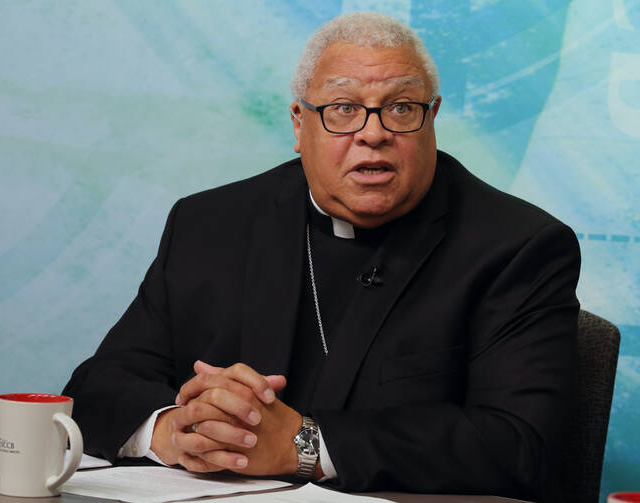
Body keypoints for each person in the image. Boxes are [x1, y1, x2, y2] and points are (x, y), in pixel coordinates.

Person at [63, 11, 580, 502]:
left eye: (401, 108)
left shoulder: (518, 247)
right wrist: (176, 430)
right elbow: (96, 388)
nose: (373, 133)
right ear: (299, 124)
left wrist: (302, 444)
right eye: (343, 109)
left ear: (432, 118)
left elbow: (519, 443)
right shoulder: (208, 224)